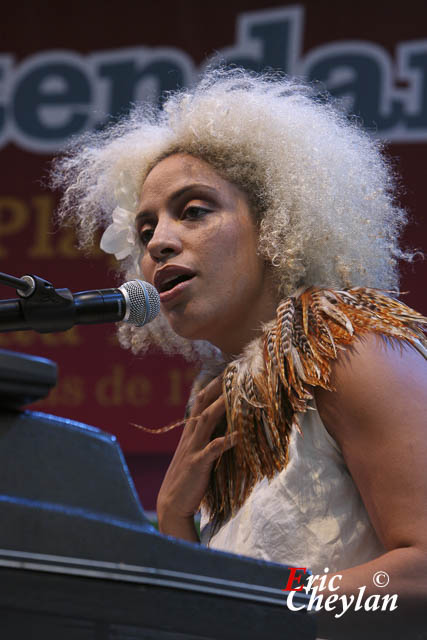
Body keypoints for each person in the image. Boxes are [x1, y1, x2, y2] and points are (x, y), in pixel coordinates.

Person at [52, 68, 427, 638]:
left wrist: (276, 597)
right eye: (146, 226)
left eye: (194, 210)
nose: (157, 242)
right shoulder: (223, 401)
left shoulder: (352, 346)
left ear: (276, 224)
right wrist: (175, 521)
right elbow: (205, 621)